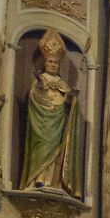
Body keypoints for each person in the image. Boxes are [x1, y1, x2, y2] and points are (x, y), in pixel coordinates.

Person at [19, 29, 84, 198]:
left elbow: (70, 105)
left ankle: (53, 181)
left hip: (58, 122)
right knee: (41, 148)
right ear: (45, 63)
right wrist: (41, 92)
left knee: (57, 153)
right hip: (41, 124)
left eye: (56, 63)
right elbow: (33, 99)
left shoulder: (63, 84)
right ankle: (37, 179)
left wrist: (72, 98)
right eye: (50, 62)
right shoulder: (38, 82)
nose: (53, 65)